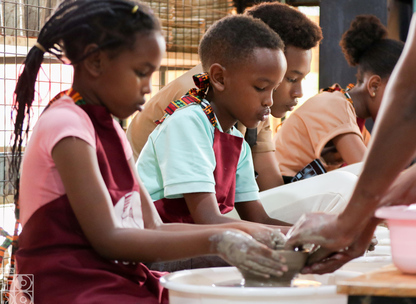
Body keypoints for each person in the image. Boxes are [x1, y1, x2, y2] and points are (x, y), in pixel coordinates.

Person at [7, 2, 288, 304]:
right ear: (96, 62)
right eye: (141, 73)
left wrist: (246, 235)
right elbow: (109, 240)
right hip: (60, 281)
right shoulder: (67, 126)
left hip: (107, 273)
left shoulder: (110, 128)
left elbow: (154, 226)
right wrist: (221, 240)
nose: (147, 88)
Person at [286, 0, 416, 274]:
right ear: (374, 86)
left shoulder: (362, 128)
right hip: (283, 195)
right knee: (351, 181)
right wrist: (357, 221)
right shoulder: (332, 103)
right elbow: (365, 171)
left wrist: (356, 221)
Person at [126, 2, 322, 191]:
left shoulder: (254, 107)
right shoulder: (193, 102)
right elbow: (203, 210)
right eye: (292, 78)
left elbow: (269, 188)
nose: (299, 92)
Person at [137, 15, 290, 233]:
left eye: (273, 90)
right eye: (260, 87)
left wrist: (311, 234)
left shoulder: (238, 142)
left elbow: (258, 218)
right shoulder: (188, 123)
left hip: (196, 241)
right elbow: (208, 220)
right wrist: (296, 237)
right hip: (158, 244)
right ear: (219, 78)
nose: (269, 101)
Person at [275, 15, 404, 179]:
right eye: (402, 93)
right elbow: (372, 176)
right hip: (278, 193)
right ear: (374, 86)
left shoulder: (360, 131)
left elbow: (384, 173)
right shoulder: (334, 104)